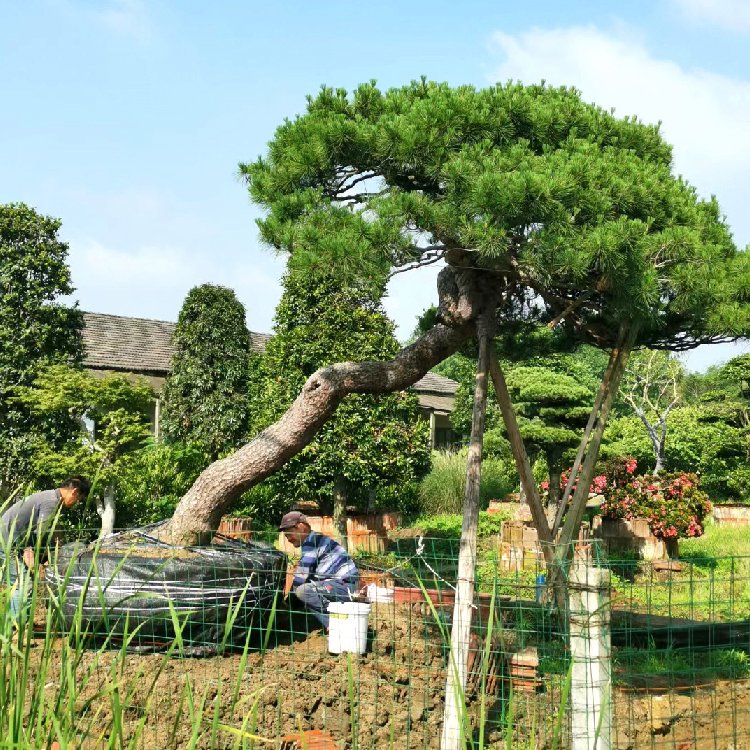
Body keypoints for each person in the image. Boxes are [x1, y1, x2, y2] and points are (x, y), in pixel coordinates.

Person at [0, 475, 90, 622]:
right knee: (22, 584)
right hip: (6, 543)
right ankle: (16, 628)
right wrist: (38, 555)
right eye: (79, 499)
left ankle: (23, 626)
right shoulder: (51, 502)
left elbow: (45, 531)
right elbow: (42, 533)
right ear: (74, 492)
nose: (77, 503)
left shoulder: (50, 498)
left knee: (26, 583)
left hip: (14, 542)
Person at [279, 510, 359, 630]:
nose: (288, 539)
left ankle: (335, 622)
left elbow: (300, 577)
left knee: (303, 591)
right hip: (340, 585)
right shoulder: (314, 539)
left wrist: (285, 603)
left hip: (346, 586)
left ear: (301, 527)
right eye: (286, 536)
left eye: (289, 533)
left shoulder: (312, 542)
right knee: (302, 591)